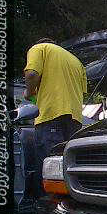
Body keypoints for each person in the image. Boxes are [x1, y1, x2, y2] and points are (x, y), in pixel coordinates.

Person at [24, 37, 86, 197]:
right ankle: (70, 203)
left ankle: (45, 205)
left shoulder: (39, 48)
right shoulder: (76, 61)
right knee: (68, 166)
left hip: (51, 115)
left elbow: (31, 74)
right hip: (75, 120)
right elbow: (80, 91)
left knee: (49, 166)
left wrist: (28, 93)